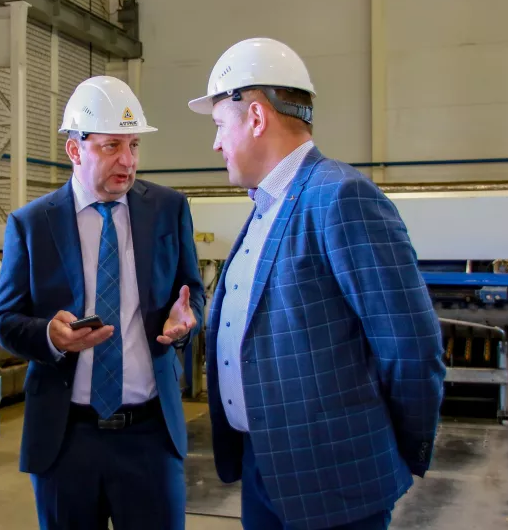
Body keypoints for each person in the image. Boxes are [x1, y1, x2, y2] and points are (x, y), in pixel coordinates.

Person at [187, 38, 446, 530]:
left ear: (256, 117)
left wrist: (393, 447)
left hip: (336, 480)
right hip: (264, 467)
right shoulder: (266, 207)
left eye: (220, 125)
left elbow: (412, 347)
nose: (216, 143)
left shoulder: (340, 197)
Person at [0, 76, 205, 530]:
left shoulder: (168, 209)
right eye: (111, 146)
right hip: (66, 438)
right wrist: (50, 337)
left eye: (134, 145)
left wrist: (186, 320)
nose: (128, 161)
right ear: (75, 149)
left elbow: (192, 292)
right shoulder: (31, 224)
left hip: (150, 435)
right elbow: (5, 320)